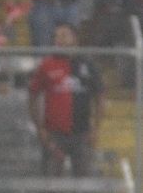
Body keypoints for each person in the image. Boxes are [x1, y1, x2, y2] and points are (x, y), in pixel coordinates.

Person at [28, 23, 104, 178]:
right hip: (54, 134)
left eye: (63, 35)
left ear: (75, 38)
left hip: (82, 132)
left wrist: (96, 127)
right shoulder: (46, 65)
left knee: (84, 181)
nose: (59, 40)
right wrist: (40, 127)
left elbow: (100, 97)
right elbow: (32, 96)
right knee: (50, 182)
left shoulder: (88, 64)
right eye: (56, 36)